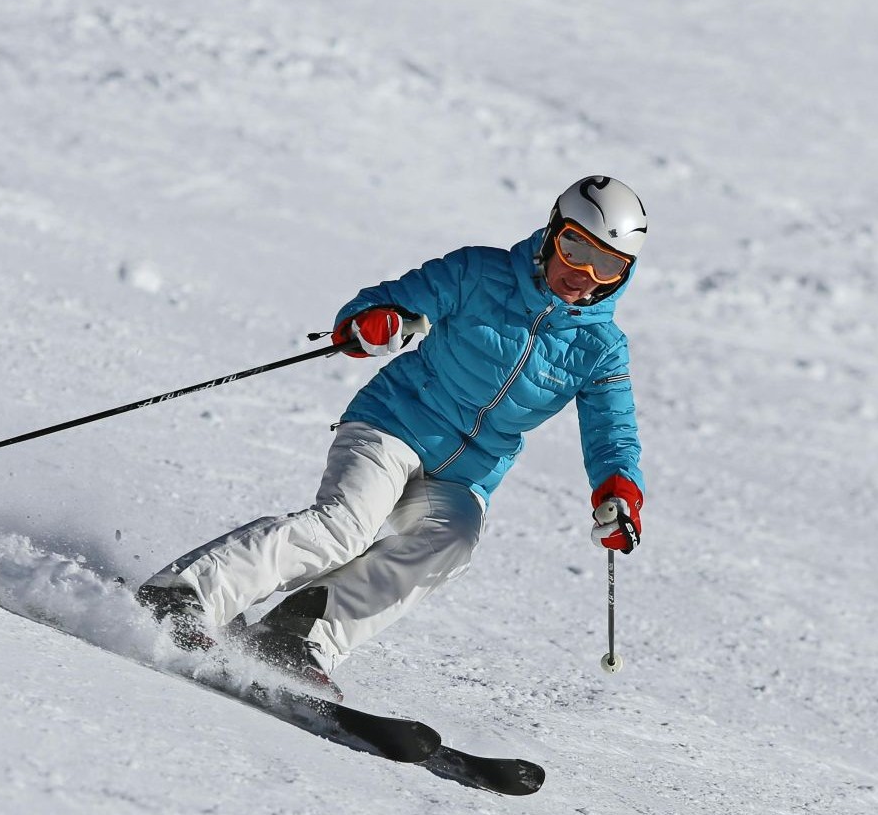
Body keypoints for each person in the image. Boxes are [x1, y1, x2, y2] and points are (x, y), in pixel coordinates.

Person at [137, 175, 648, 696]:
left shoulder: (601, 348)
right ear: (550, 233)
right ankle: (186, 595)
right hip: (394, 424)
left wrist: (618, 494)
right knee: (344, 527)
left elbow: (613, 431)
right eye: (575, 247)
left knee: (450, 540)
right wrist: (376, 322)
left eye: (608, 265)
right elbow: (389, 304)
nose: (585, 275)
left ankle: (301, 634)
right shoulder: (477, 271)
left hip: (467, 473)